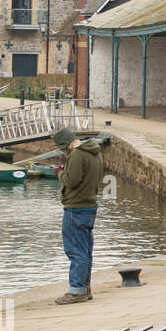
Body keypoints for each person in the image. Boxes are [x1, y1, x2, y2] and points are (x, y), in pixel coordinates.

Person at [52, 127, 104, 305]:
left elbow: (72, 181)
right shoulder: (95, 152)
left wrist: (59, 172)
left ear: (64, 145)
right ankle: (85, 287)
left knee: (75, 251)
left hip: (76, 208)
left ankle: (76, 291)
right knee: (86, 250)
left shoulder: (76, 154)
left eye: (61, 148)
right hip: (90, 205)